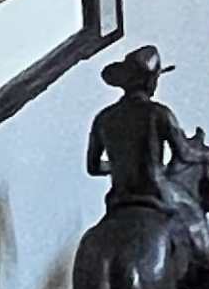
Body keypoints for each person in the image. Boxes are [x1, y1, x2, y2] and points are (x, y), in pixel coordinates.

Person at [84, 45, 199, 213]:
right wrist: (205, 153)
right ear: (150, 81)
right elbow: (184, 154)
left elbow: (93, 167)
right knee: (193, 216)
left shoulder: (103, 118)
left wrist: (118, 166)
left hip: (119, 198)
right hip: (156, 193)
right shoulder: (159, 113)